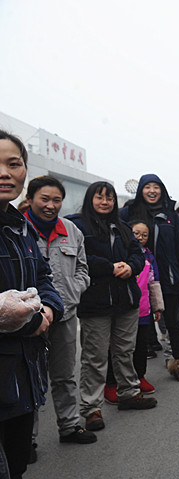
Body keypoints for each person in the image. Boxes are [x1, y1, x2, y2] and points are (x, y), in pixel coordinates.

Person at [0, 131, 65, 479]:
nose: (5, 173)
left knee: (15, 464)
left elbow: (44, 279)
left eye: (13, 163)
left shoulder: (19, 228)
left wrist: (48, 311)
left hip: (21, 373)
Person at [68, 181, 157, 432]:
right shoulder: (77, 225)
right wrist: (109, 267)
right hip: (95, 301)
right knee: (94, 358)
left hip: (126, 299)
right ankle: (91, 408)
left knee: (124, 351)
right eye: (99, 197)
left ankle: (129, 393)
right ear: (90, 199)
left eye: (109, 198)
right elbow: (78, 257)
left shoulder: (122, 226)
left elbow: (138, 254)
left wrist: (131, 266)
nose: (105, 202)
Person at [22, 177, 96, 452]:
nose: (51, 205)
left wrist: (73, 292)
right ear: (30, 199)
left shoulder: (71, 231)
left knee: (65, 375)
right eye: (44, 199)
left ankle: (69, 425)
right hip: (27, 319)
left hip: (64, 315)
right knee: (29, 378)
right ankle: (26, 440)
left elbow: (83, 270)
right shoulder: (17, 230)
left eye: (56, 200)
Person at [120, 174, 179, 383]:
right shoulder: (128, 212)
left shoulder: (171, 214)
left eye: (156, 187)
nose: (152, 191)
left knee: (174, 322)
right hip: (138, 276)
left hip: (168, 276)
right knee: (137, 325)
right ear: (141, 190)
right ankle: (132, 374)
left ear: (162, 190)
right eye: (148, 187)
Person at [103, 220, 163, 402]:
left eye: (144, 235)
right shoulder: (120, 252)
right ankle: (111, 383)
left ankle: (139, 376)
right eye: (136, 233)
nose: (140, 237)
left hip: (144, 309)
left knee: (140, 346)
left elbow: (154, 283)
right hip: (123, 307)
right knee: (118, 348)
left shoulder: (149, 257)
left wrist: (157, 307)